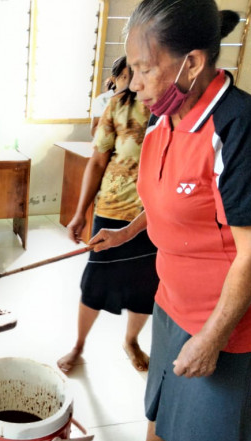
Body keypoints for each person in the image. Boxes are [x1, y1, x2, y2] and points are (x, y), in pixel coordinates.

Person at [90, 1, 251, 441]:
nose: (134, 84)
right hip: (171, 304)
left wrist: (212, 339)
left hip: (229, 325)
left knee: (208, 435)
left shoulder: (239, 126)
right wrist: (127, 231)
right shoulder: (163, 116)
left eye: (144, 69)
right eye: (130, 69)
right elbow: (173, 198)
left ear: (192, 62)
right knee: (162, 409)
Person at [57, 65, 158, 374]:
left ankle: (131, 340)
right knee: (95, 283)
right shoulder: (118, 105)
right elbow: (98, 159)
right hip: (113, 209)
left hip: (155, 215)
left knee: (146, 286)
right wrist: (79, 213)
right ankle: (78, 345)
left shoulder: (174, 110)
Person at [90, 56, 131, 136]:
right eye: (124, 77)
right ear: (113, 79)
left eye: (132, 77)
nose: (129, 82)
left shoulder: (140, 99)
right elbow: (94, 131)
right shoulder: (103, 100)